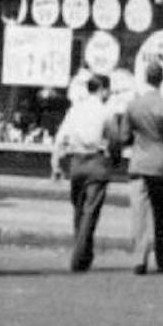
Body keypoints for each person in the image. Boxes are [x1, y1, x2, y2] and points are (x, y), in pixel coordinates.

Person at [117, 58, 163, 274]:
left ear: (146, 78)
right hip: (160, 164)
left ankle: (139, 258)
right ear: (162, 79)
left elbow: (124, 136)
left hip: (138, 163)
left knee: (139, 213)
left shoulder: (133, 105)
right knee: (162, 212)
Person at [50, 72, 118, 270]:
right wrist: (115, 158)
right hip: (97, 162)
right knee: (90, 212)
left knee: (79, 209)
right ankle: (79, 257)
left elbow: (62, 135)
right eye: (108, 89)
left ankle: (83, 252)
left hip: (77, 162)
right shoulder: (107, 111)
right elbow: (115, 139)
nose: (110, 93)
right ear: (103, 90)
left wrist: (56, 161)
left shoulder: (75, 110)